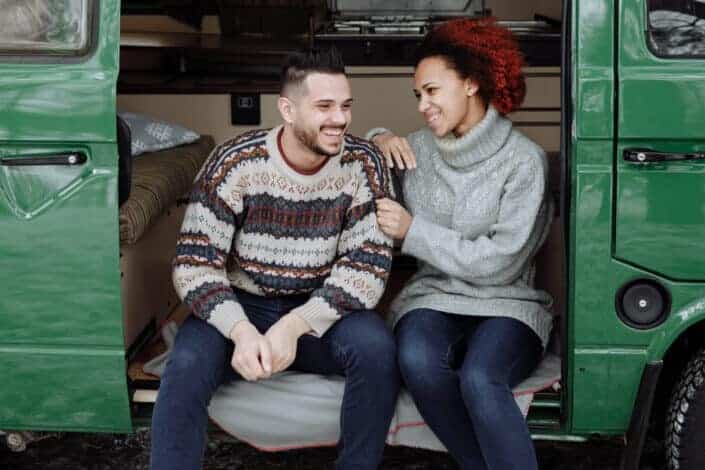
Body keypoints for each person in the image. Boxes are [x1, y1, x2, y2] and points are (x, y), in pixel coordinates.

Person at [150, 48, 400, 470]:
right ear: (287, 108)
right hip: (243, 302)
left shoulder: (364, 162)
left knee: (377, 351)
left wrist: (294, 325)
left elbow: (366, 270)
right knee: (187, 364)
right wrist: (241, 331)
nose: (339, 118)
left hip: (323, 309)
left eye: (345, 105)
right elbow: (195, 263)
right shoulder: (235, 161)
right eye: (324, 106)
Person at [369, 18, 553, 470]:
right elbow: (359, 162)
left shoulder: (523, 161)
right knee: (415, 358)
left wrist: (414, 232)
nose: (422, 106)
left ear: (471, 83)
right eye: (418, 95)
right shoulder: (414, 150)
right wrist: (378, 138)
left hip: (507, 302)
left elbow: (501, 263)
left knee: (480, 376)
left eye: (432, 91)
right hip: (433, 297)